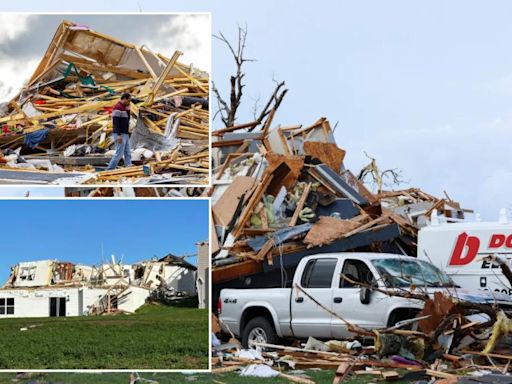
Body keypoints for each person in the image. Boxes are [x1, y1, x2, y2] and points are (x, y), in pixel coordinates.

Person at [106, 93, 132, 170]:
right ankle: (109, 169)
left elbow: (128, 119)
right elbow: (115, 122)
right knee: (119, 153)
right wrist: (118, 134)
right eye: (129, 100)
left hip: (125, 133)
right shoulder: (117, 107)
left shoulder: (124, 107)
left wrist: (128, 110)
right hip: (120, 133)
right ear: (125, 99)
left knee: (127, 152)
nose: (129, 102)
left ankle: (129, 166)